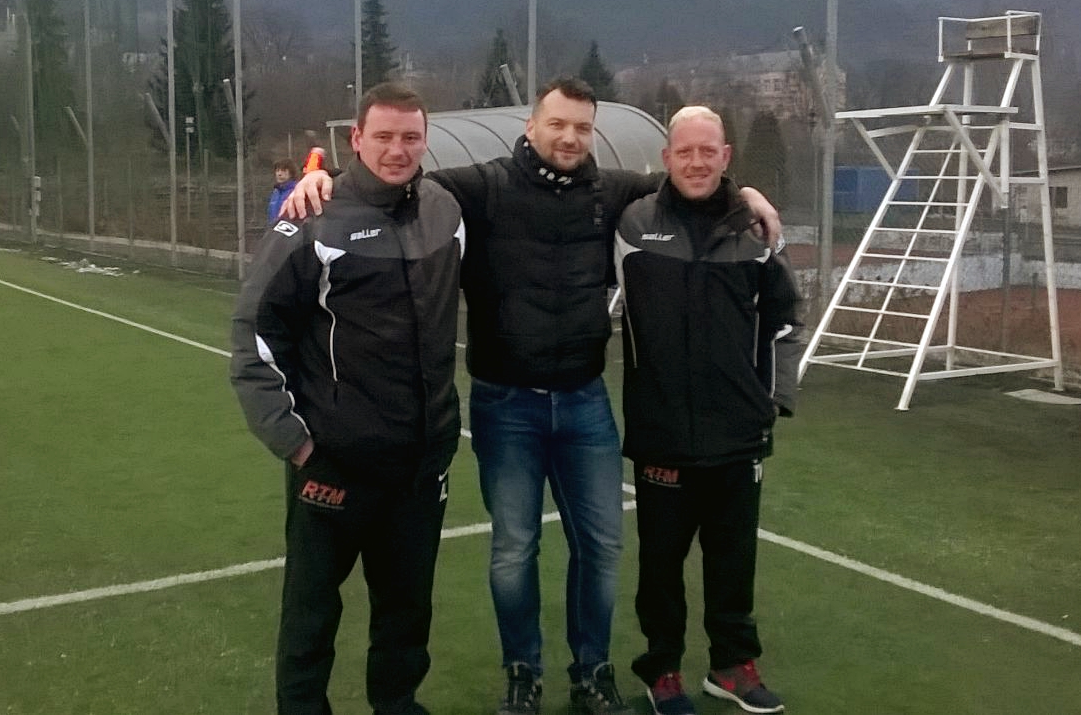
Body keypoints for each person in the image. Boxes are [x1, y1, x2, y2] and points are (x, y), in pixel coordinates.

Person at [285, 77, 782, 715]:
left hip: (584, 401)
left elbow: (691, 181)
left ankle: (593, 674)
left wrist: (746, 193)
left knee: (602, 547)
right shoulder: (483, 186)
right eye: (558, 124)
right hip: (506, 404)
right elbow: (397, 177)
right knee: (514, 550)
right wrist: (322, 181)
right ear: (531, 126)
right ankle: (522, 673)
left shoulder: (613, 192)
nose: (570, 137)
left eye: (582, 127)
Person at [230, 82, 464, 715]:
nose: (397, 149)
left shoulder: (447, 208)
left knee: (407, 607)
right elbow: (254, 333)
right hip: (334, 463)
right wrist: (296, 442)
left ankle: (397, 703)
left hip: (421, 462)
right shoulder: (312, 217)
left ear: (426, 140)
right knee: (311, 610)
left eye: (410, 137)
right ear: (356, 139)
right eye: (383, 136)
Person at [614, 106, 799, 715]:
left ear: (725, 157)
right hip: (661, 433)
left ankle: (732, 666)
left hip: (738, 432)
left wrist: (773, 400)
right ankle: (662, 669)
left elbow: (784, 321)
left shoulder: (757, 230)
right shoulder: (631, 225)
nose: (696, 163)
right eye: (685, 151)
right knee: (660, 567)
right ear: (666, 158)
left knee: (733, 561)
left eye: (708, 151)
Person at [267, 159, 298, 224]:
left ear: (291, 173)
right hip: (274, 228)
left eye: (284, 171)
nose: (279, 174)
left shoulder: (296, 191)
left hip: (290, 228)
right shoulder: (275, 192)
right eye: (277, 171)